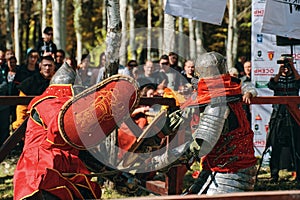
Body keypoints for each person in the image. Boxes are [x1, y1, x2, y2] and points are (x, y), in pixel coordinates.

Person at [149, 51, 257, 195]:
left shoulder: (217, 104)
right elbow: (181, 117)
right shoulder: (227, 89)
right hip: (215, 168)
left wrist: (161, 161)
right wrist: (150, 139)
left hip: (231, 173)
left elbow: (199, 146)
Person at [13, 62, 102, 199]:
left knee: (86, 190)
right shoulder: (49, 104)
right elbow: (60, 129)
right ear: (69, 89)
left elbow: (78, 144)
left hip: (59, 160)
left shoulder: (58, 105)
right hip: (41, 163)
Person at [267, 54, 300, 183]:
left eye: (287, 64)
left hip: (294, 115)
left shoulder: (295, 78)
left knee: (296, 146)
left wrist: (292, 67)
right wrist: (280, 72)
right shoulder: (277, 78)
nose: (285, 67)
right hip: (278, 115)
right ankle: (274, 175)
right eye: (283, 63)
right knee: (275, 146)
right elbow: (271, 85)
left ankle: (298, 175)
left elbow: (299, 82)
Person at [12, 55, 56, 131]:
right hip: (34, 124)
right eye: (45, 65)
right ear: (40, 66)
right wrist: (20, 125)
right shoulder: (30, 82)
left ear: (54, 67)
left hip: (53, 124)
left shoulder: (59, 81)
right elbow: (22, 108)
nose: (47, 68)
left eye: (50, 65)